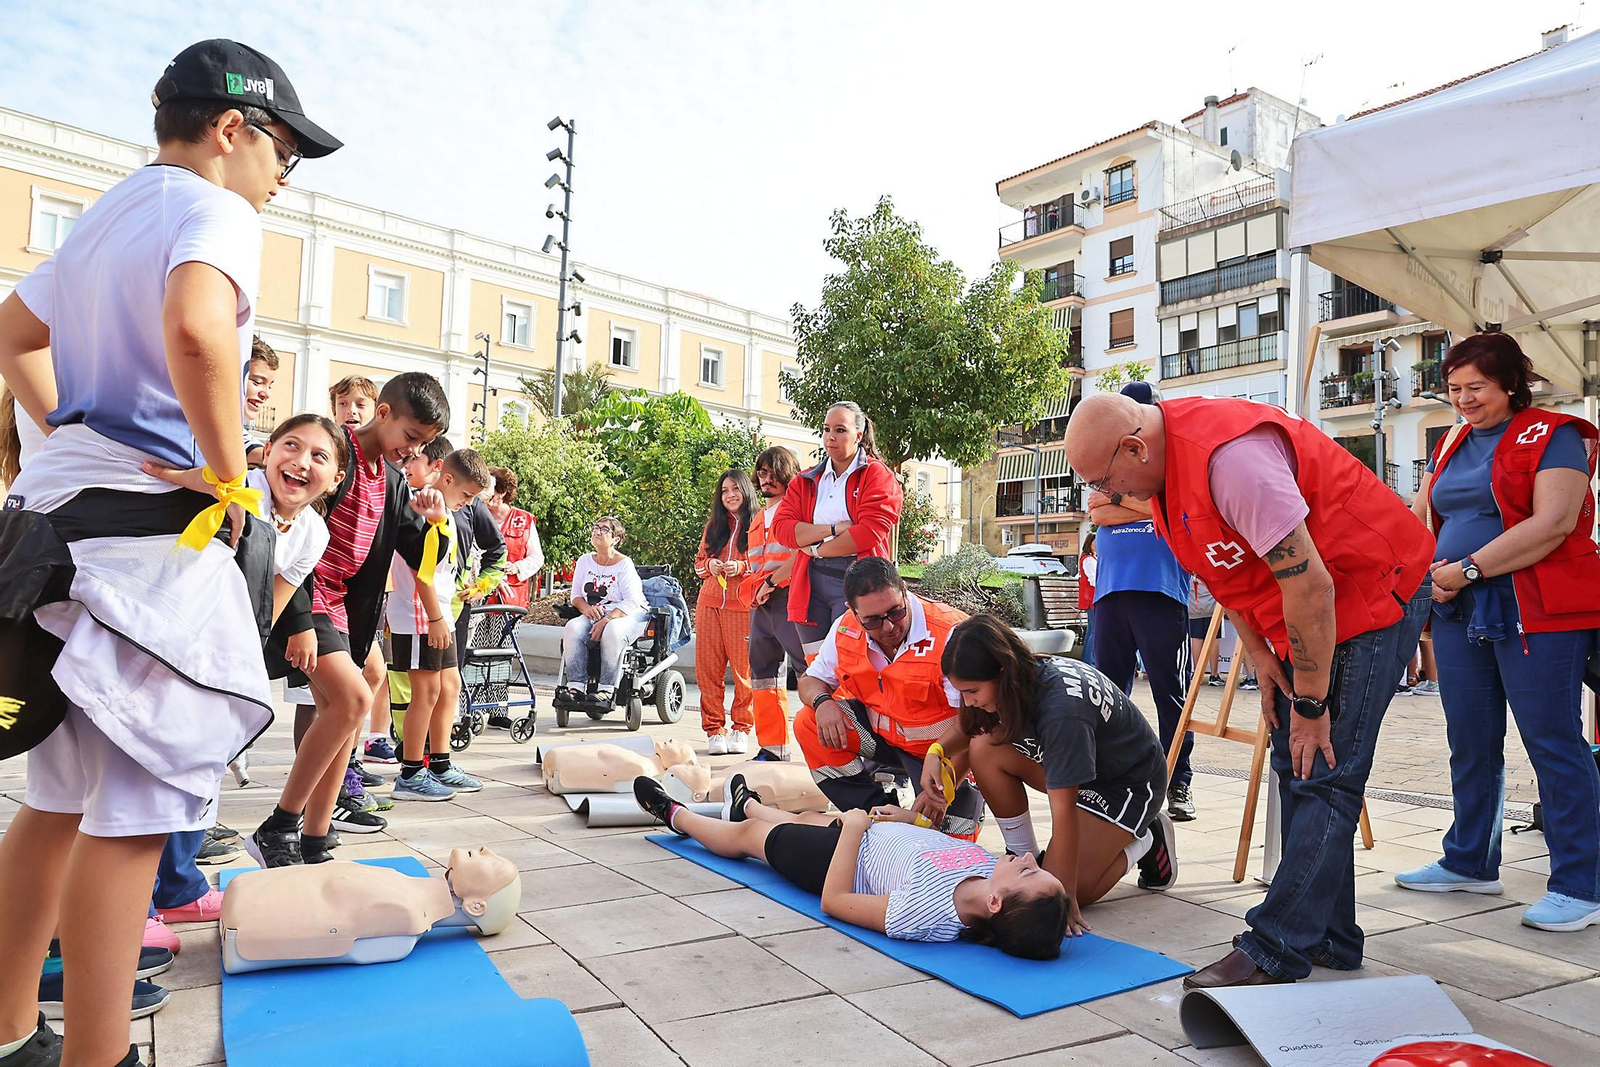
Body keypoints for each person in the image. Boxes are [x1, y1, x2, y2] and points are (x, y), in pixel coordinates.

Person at [0, 38, 341, 1066]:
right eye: (284, 150)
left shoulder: (104, 215)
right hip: (145, 544)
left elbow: (11, 333)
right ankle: (99, 1056)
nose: (284, 176)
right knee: (133, 817)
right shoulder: (214, 207)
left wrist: (69, 432)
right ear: (231, 129)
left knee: (55, 800)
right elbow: (197, 329)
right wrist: (232, 474)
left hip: (53, 527)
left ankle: (9, 1029)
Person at [1065, 388, 1434, 989]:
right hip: (1306, 611)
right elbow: (1223, 575)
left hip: (1370, 589)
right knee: (1298, 766)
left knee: (1327, 771)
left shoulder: (1231, 461)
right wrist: (1261, 656)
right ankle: (1332, 937)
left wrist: (1311, 701)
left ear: (1135, 448)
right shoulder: (1163, 478)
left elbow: (1311, 585)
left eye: (1105, 482)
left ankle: (1274, 948)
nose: (1106, 496)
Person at [1397, 332, 1600, 933]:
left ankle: (1580, 883)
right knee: (1470, 736)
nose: (1463, 399)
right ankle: (1469, 859)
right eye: (1454, 388)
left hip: (1536, 608)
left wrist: (1466, 568)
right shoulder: (1451, 440)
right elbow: (1423, 514)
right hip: (1458, 608)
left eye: (1476, 387)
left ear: (1511, 383)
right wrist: (1424, 572)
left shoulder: (1555, 434)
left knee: (1552, 741)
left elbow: (1555, 522)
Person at [255, 372, 451, 867]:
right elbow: (292, 529)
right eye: (410, 437)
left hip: (344, 608)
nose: (413, 451)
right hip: (303, 594)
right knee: (355, 698)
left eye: (422, 444)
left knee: (345, 714)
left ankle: (315, 835)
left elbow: (420, 554)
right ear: (382, 413)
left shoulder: (391, 480)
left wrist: (437, 522)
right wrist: (298, 621)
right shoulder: (334, 452)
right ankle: (279, 824)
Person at [633, 774, 1070, 958]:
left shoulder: (925, 914)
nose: (1026, 857)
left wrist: (855, 829)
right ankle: (746, 804)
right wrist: (908, 819)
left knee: (752, 838)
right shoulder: (991, 870)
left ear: (994, 904)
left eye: (1029, 871)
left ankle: (676, 815)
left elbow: (835, 900)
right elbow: (936, 844)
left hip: (838, 859)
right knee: (807, 817)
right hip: (868, 834)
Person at [929, 616, 1178, 934]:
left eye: (973, 691)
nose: (968, 701)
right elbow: (970, 728)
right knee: (984, 746)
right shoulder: (1017, 676)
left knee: (1057, 894)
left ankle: (1147, 836)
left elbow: (1064, 812)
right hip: (1087, 765)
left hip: (1127, 784)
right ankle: (1023, 854)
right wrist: (936, 752)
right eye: (962, 692)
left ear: (1002, 670)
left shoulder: (1062, 711)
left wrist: (1066, 895)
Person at [793, 557, 985, 837]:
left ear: (905, 591)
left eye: (895, 612)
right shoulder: (845, 629)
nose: (888, 627)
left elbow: (976, 723)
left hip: (947, 753)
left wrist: (945, 785)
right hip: (885, 741)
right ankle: (874, 816)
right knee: (808, 721)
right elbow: (810, 681)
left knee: (951, 843)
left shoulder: (950, 634)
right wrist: (822, 702)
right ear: (853, 612)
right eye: (872, 620)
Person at [1086, 381, 1197, 823]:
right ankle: (1112, 780)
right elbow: (1097, 511)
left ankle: (1179, 781)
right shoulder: (1112, 465)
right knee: (1109, 695)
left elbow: (1172, 511)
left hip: (1161, 591)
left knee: (1171, 695)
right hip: (1111, 593)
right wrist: (1137, 504)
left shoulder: (1168, 466)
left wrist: (1121, 501)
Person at [391, 449, 492, 801]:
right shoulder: (423, 507)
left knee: (450, 686)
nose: (469, 503)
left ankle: (440, 763)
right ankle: (410, 772)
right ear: (447, 479)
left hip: (439, 611)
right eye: (466, 494)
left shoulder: (444, 509)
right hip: (419, 613)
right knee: (426, 692)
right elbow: (422, 572)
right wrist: (435, 618)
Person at [772, 401, 903, 656]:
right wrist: (834, 528)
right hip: (810, 583)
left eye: (840, 430)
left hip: (860, 581)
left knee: (853, 662)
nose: (830, 437)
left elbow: (868, 532)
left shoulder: (877, 475)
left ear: (858, 435)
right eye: (826, 429)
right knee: (817, 664)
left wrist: (814, 548)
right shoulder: (805, 480)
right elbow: (783, 529)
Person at [743, 445, 808, 761]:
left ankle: (829, 749)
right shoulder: (758, 518)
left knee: (809, 670)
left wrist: (771, 583)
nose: (767, 478)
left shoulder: (798, 512)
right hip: (762, 604)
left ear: (789, 474)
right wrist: (754, 590)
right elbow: (754, 562)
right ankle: (773, 748)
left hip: (792, 596)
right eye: (762, 472)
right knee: (763, 674)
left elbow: (803, 555)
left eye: (774, 472)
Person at [695, 469, 757, 754]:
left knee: (743, 672)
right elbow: (698, 564)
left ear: (745, 490)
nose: (730, 495)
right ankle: (714, 731)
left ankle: (741, 728)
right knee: (708, 672)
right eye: (724, 491)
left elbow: (766, 563)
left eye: (735, 489)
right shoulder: (714, 526)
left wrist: (741, 567)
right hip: (709, 605)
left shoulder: (758, 523)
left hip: (741, 607)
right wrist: (710, 566)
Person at [560, 516, 650, 702]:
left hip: (626, 615)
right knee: (573, 627)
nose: (597, 532)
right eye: (596, 528)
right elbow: (575, 595)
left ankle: (606, 690)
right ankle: (576, 687)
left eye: (604, 529)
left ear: (616, 539)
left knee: (612, 630)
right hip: (595, 614)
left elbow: (632, 601)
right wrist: (586, 609)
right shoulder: (585, 561)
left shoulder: (624, 564)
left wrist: (606, 621)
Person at [485, 465, 543, 609]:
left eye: (491, 490)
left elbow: (537, 557)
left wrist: (517, 567)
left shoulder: (524, 519)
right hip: (481, 593)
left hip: (512, 596)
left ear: (503, 492)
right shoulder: (475, 516)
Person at [1188, 575, 1223, 688]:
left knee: (1196, 638)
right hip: (1212, 607)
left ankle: (1197, 674)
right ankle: (1214, 675)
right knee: (1214, 638)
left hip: (1194, 606)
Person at [1077, 532, 1097, 664]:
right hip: (1092, 599)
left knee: (1091, 631)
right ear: (1089, 544)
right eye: (1095, 543)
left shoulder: (1092, 558)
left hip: (1091, 599)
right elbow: (1093, 580)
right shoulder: (1088, 560)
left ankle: (1087, 660)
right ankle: (1090, 662)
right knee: (1095, 632)